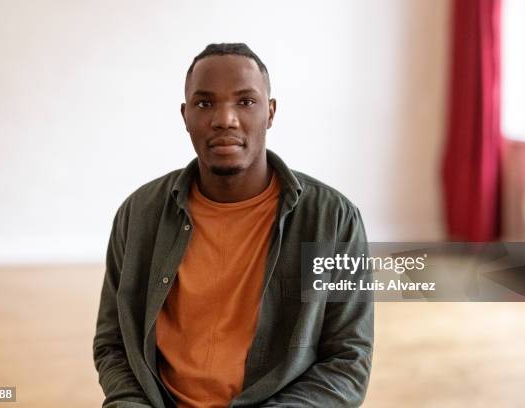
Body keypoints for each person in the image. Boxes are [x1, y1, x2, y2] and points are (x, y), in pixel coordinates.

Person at [93, 43, 373, 408]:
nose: (225, 118)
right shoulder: (138, 215)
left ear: (270, 113)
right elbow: (113, 344)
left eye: (245, 101)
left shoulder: (333, 220)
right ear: (185, 116)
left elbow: (348, 361)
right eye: (205, 103)